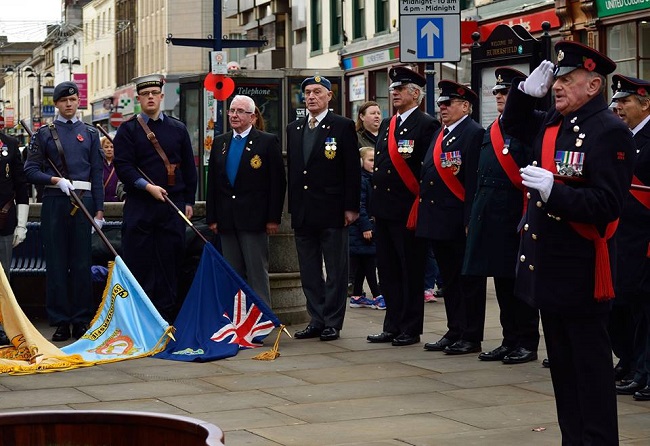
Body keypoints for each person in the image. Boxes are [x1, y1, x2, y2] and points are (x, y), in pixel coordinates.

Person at [501, 41, 635, 443]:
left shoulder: (608, 131)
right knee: (563, 372)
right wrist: (524, 96)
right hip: (550, 266)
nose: (557, 86)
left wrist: (554, 193)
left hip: (581, 270)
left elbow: (608, 204)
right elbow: (515, 129)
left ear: (593, 85)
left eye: (567, 79)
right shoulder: (555, 122)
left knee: (590, 375)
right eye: (556, 79)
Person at [463, 68, 540, 364]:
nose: (499, 97)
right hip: (491, 217)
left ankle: (526, 341)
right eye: (496, 93)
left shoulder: (528, 128)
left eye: (505, 92)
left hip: (515, 215)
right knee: (502, 282)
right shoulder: (491, 130)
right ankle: (509, 339)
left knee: (521, 285)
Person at [24, 81, 105, 342]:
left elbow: (96, 173)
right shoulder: (44, 134)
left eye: (73, 100)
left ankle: (81, 319)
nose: (69, 104)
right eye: (63, 101)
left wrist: (100, 210)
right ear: (56, 104)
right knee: (57, 265)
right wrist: (55, 181)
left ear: (79, 101)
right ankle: (60, 321)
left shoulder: (91, 133)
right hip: (56, 203)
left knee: (81, 264)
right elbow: (30, 170)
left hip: (84, 202)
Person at [113, 74, 197, 323]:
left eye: (154, 94)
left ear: (162, 96)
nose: (150, 98)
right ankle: (143, 318)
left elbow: (188, 169)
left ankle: (168, 317)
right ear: (138, 99)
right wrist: (147, 187)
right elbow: (123, 167)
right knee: (141, 262)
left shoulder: (178, 128)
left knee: (170, 261)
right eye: (145, 94)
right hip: (141, 206)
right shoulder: (127, 131)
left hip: (172, 206)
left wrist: (189, 201)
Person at [366, 66, 440, 347]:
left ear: (415, 94)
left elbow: (427, 169)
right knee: (388, 270)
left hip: (408, 210)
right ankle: (392, 324)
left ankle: (410, 327)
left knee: (410, 271)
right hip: (384, 210)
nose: (394, 93)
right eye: (393, 89)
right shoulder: (388, 123)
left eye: (400, 89)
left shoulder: (426, 124)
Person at [286, 75, 360, 341]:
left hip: (332, 208)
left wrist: (351, 207)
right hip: (304, 211)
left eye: (317, 91)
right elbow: (295, 170)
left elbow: (351, 170)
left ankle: (332, 321)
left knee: (336, 269)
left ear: (329, 96)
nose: (311, 97)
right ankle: (315, 319)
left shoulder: (342, 126)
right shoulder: (294, 128)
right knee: (309, 269)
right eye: (307, 92)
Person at [417, 80, 486, 355]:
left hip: (459, 220)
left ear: (465, 106)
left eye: (449, 103)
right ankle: (455, 328)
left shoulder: (473, 133)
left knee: (467, 281)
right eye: (441, 104)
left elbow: (473, 181)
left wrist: (470, 219)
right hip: (439, 219)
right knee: (449, 279)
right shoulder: (442, 133)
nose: (443, 108)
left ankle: (471, 334)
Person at [206, 95, 286, 305]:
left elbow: (277, 184)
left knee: (257, 273)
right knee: (232, 274)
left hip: (254, 220)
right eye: (232, 110)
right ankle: (236, 322)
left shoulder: (267, 142)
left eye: (240, 111)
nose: (234, 115)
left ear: (252, 116)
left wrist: (273, 218)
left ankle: (261, 323)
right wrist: (212, 217)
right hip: (226, 220)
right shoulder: (221, 142)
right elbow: (213, 183)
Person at [610, 75, 650, 400]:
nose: (618, 107)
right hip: (622, 237)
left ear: (645, 103)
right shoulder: (622, 137)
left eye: (625, 101)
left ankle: (643, 370)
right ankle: (630, 360)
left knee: (643, 308)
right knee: (623, 304)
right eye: (617, 102)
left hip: (644, 239)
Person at [0, 131, 29, 346]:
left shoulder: (10, 144)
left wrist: (21, 223)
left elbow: (21, 186)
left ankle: (2, 326)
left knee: (3, 280)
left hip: (4, 221)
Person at [348, 147, 383, 309]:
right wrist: (366, 226)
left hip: (366, 227)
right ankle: (377, 295)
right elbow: (360, 206)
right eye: (370, 160)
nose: (373, 163)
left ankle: (356, 295)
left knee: (363, 262)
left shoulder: (371, 178)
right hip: (361, 229)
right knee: (369, 261)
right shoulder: (362, 180)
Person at [100, 136, 119, 202]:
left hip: (117, 202)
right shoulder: (98, 164)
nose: (109, 149)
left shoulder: (119, 164)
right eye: (106, 147)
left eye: (112, 147)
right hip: (101, 201)